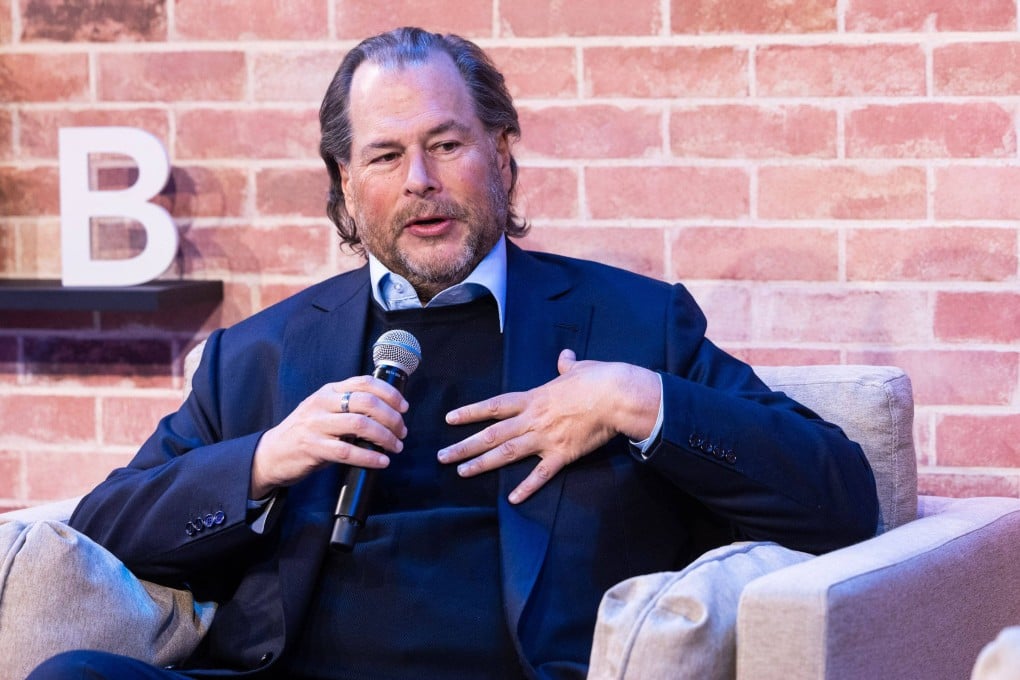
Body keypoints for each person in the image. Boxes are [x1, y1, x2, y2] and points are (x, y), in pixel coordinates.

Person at [30, 26, 879, 680]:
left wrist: (637, 400)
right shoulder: (257, 353)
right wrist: (265, 460)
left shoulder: (631, 324)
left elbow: (840, 500)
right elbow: (99, 536)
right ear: (345, 185)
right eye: (385, 156)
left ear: (500, 154)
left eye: (445, 144)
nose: (419, 181)